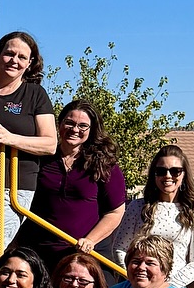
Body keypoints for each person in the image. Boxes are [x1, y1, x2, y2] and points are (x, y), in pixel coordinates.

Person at [27, 101, 127, 273]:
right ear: (59, 124)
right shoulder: (42, 159)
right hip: (43, 255)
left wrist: (90, 240)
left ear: (91, 130)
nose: (75, 130)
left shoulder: (103, 164)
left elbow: (115, 212)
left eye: (83, 126)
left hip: (88, 255)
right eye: (69, 123)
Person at [0, 31, 57, 252]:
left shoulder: (35, 94)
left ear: (30, 63)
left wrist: (10, 139)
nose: (14, 60)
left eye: (22, 57)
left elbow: (50, 144)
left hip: (13, 187)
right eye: (9, 54)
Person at [109, 143, 194, 288]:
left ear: (184, 174)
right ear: (154, 175)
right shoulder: (137, 207)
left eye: (175, 171)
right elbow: (119, 248)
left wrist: (170, 285)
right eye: (161, 171)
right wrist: (134, 279)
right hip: (134, 287)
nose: (168, 176)